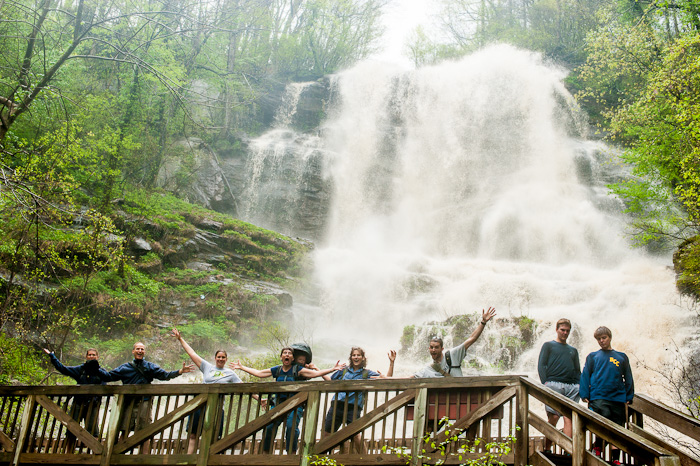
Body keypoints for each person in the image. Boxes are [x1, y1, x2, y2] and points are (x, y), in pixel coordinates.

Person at [229, 348, 346, 454]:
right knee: (269, 427)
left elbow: (315, 374)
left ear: (292, 358)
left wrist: (332, 369)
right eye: (285, 353)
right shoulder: (277, 370)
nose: (287, 355)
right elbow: (259, 373)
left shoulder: (298, 369)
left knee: (291, 426)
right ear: (281, 357)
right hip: (278, 403)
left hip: (296, 404)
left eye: (289, 353)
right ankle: (266, 452)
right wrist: (242, 367)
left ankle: (292, 453)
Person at [106, 342, 195, 453]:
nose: (140, 351)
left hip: (145, 402)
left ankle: (143, 458)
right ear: (133, 351)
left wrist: (180, 371)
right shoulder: (125, 368)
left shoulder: (149, 367)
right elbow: (109, 376)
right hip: (128, 403)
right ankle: (119, 456)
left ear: (144, 352)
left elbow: (164, 375)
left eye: (142, 349)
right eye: (138, 349)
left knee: (145, 431)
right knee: (125, 429)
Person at [171, 328, 242, 453]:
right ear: (215, 358)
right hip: (200, 405)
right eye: (218, 357)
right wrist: (180, 339)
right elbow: (192, 354)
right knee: (193, 435)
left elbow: (244, 387)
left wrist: (260, 399)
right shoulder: (207, 367)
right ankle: (189, 460)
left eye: (223, 357)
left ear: (226, 359)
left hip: (217, 408)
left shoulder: (230, 374)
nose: (220, 359)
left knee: (214, 438)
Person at [322, 347, 396, 453]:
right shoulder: (343, 370)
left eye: (358, 355)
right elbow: (330, 380)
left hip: (353, 407)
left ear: (363, 358)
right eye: (354, 355)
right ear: (351, 357)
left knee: (356, 435)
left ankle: (365, 460)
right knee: (327, 434)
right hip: (337, 404)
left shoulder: (366, 374)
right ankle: (324, 460)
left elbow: (386, 379)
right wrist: (316, 370)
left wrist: (391, 363)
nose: (356, 357)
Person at [580, 326, 634, 465]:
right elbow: (585, 375)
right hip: (598, 396)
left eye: (604, 338)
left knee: (617, 429)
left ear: (610, 337)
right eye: (599, 339)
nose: (601, 341)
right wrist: (584, 393)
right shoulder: (593, 356)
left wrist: (629, 396)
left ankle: (616, 459)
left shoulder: (621, 357)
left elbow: (628, 377)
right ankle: (597, 452)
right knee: (600, 426)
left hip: (617, 397)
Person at [43, 348, 109, 450]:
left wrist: (96, 398)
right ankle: (69, 454)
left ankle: (94, 454)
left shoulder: (101, 372)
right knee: (71, 429)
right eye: (90, 355)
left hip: (93, 405)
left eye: (93, 355)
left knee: (93, 431)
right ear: (86, 357)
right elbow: (63, 369)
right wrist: (52, 356)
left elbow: (104, 386)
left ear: (97, 357)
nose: (91, 357)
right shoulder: (80, 370)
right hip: (78, 403)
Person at [537, 318, 581, 453]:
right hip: (553, 384)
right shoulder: (548, 345)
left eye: (567, 331)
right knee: (554, 417)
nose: (565, 333)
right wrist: (546, 383)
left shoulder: (573, 350)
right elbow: (541, 365)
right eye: (562, 330)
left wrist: (580, 386)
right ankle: (548, 448)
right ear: (557, 330)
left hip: (571, 386)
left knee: (569, 418)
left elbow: (577, 370)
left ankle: (568, 451)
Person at [414, 307, 497, 378]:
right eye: (431, 347)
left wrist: (483, 322)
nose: (433, 350)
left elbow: (472, 339)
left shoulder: (453, 355)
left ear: (442, 349)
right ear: (428, 349)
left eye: (436, 347)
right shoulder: (429, 369)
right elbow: (412, 377)